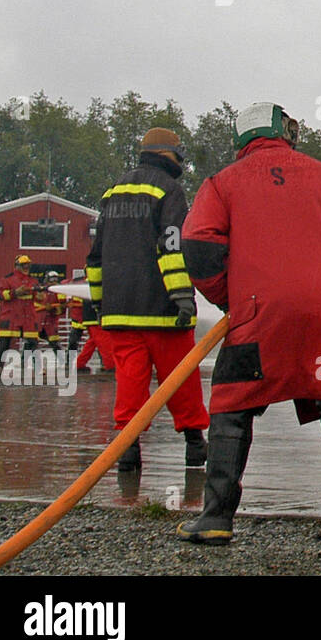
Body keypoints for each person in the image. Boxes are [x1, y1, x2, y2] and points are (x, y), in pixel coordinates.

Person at [178, 102, 321, 544]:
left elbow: (198, 248)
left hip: (256, 314)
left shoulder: (221, 183)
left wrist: (231, 300)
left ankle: (215, 519)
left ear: (241, 138)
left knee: (232, 408)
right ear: (285, 131)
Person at [87, 128, 209, 472]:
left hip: (120, 310)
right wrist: (182, 297)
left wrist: (100, 303)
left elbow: (95, 257)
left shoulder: (113, 192)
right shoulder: (169, 190)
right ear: (172, 155)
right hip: (161, 309)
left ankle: (128, 450)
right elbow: (171, 247)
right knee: (180, 377)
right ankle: (194, 444)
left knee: (129, 380)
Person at [0, 255, 38, 352]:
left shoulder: (33, 280)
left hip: (28, 318)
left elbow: (38, 297)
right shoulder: (7, 280)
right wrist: (15, 292)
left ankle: (28, 365)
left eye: (28, 265)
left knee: (32, 344)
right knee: (4, 345)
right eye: (24, 265)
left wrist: (40, 296)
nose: (26, 267)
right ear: (17, 266)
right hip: (11, 317)